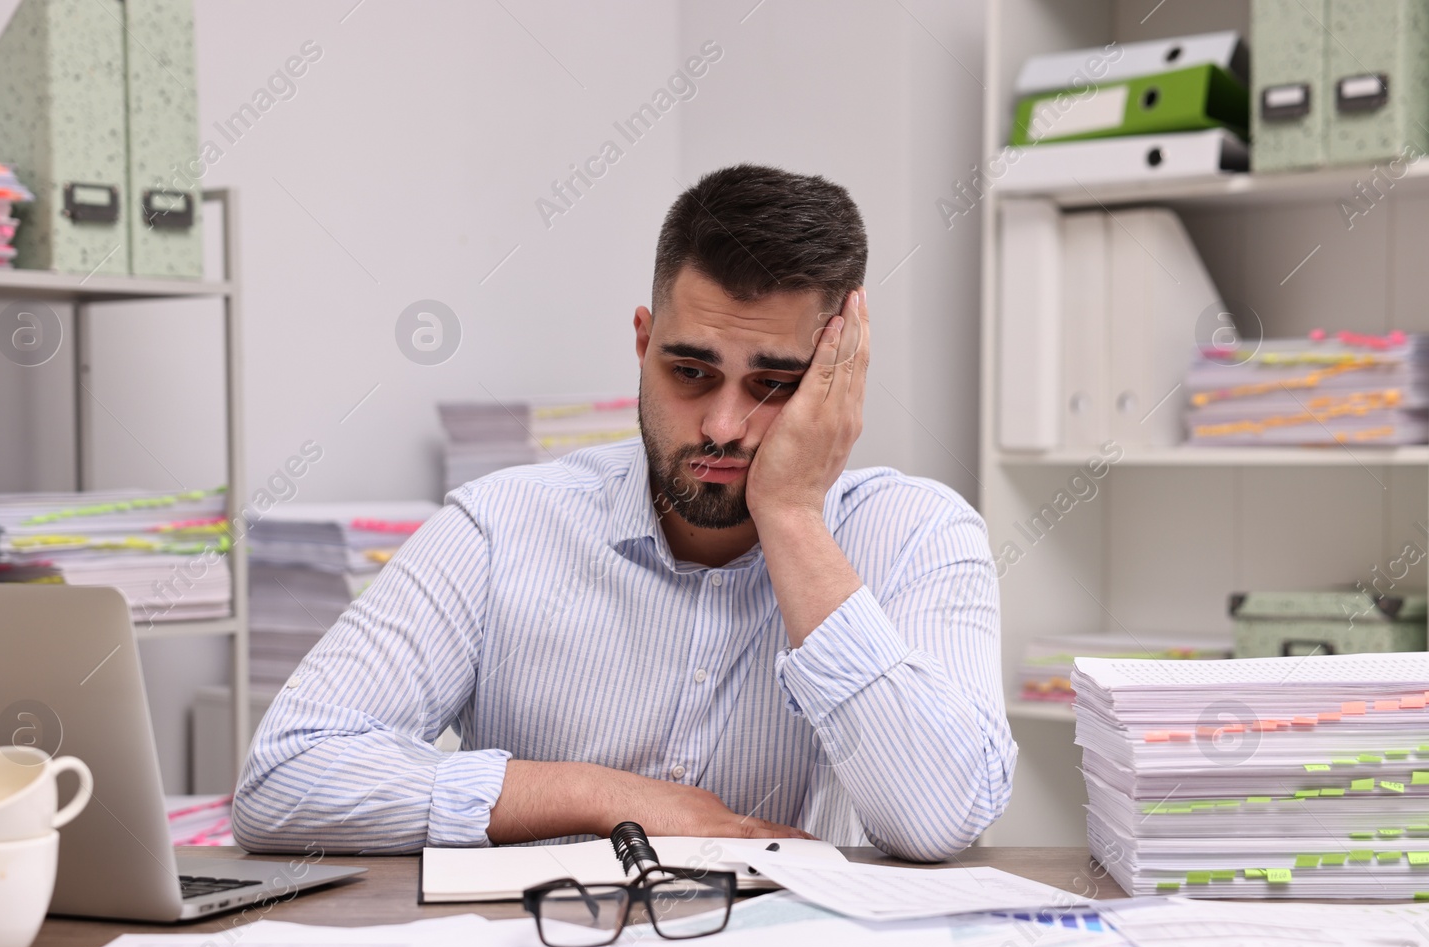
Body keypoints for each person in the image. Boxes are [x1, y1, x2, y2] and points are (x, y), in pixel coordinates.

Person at [234, 163, 1015, 860]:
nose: (721, 426)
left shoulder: (920, 535)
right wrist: (614, 799)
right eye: (690, 372)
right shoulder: (502, 527)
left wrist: (794, 516)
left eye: (774, 385)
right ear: (642, 344)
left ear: (837, 379)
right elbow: (283, 776)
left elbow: (938, 818)